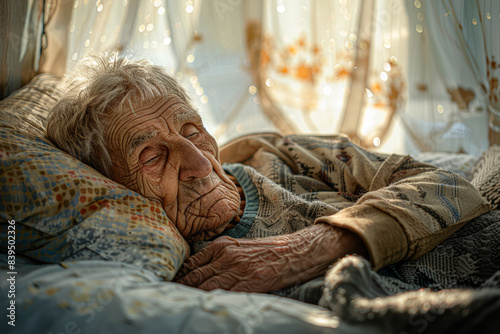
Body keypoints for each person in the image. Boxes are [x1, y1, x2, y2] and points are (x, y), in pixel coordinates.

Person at [46, 54, 490, 295]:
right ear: (109, 182)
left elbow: (454, 189)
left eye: (193, 131)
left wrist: (308, 247)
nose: (201, 164)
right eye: (151, 156)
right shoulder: (159, 257)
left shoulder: (271, 151)